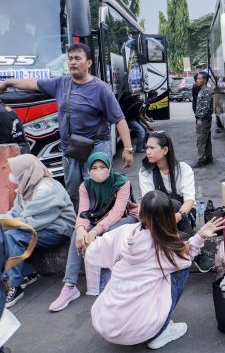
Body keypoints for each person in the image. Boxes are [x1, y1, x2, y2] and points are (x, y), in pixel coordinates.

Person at [83, 190, 225, 349]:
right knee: (182, 268)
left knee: (107, 259)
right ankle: (162, 330)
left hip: (105, 325)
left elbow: (92, 253)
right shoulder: (166, 247)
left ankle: (120, 306)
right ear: (170, 217)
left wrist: (86, 236)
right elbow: (188, 254)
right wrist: (200, 236)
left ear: (141, 215)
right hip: (142, 333)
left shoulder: (124, 232)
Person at [0, 43, 134, 210]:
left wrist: (128, 149)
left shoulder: (101, 89)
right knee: (73, 191)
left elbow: (119, 119)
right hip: (71, 148)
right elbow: (33, 83)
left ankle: (100, 223)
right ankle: (78, 224)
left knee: (96, 188)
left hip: (96, 147)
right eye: (70, 59)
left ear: (89, 63)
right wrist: (8, 83)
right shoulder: (61, 83)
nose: (73, 62)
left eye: (78, 58)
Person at [48, 152, 139, 312]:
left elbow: (116, 213)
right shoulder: (85, 186)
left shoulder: (121, 182)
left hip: (125, 218)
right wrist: (82, 229)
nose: (98, 171)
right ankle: (69, 286)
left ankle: (111, 283)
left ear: (109, 168)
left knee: (108, 232)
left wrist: (95, 231)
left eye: (102, 167)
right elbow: (83, 212)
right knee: (77, 234)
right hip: (98, 218)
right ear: (88, 170)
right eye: (94, 168)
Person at [1, 155, 75, 307]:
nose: (12, 176)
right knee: (6, 234)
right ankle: (28, 272)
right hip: (36, 227)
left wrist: (7, 223)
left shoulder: (47, 189)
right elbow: (15, 212)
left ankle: (15, 285)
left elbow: (33, 222)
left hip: (57, 229)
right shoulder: (26, 186)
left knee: (11, 236)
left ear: (27, 172)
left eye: (16, 172)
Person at [139, 131, 196, 237]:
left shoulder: (184, 169)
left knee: (174, 204)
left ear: (165, 150)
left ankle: (188, 238)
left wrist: (177, 217)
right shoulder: (145, 172)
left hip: (183, 214)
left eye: (152, 148)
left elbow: (189, 200)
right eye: (147, 148)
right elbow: (149, 201)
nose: (148, 152)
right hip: (157, 215)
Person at [193, 72, 214, 168]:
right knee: (206, 139)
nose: (197, 80)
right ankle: (209, 158)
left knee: (201, 140)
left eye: (199, 78)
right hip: (203, 119)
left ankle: (201, 160)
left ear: (205, 80)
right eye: (197, 78)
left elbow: (206, 106)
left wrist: (200, 118)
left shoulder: (206, 90)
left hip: (203, 119)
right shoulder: (202, 90)